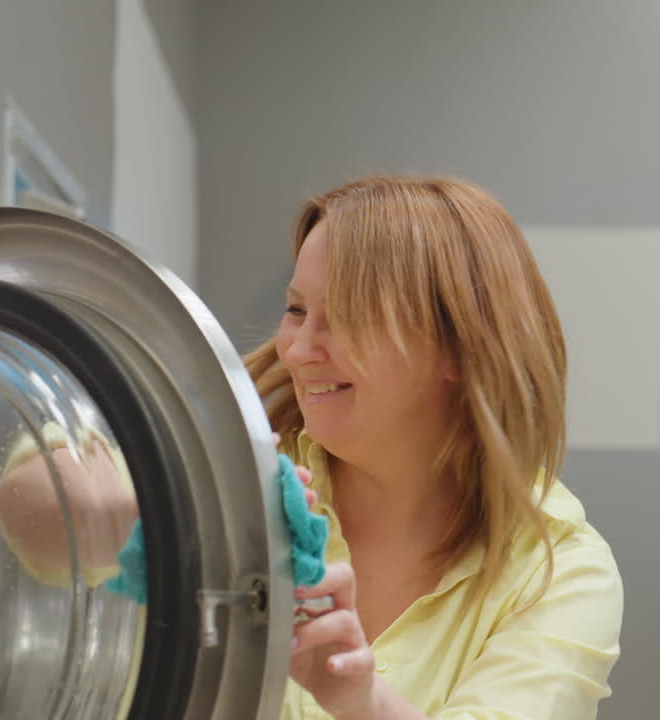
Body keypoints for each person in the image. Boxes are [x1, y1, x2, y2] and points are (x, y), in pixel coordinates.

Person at [243, 175, 624, 719]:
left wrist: (360, 698)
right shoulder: (230, 485)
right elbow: (82, 519)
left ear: (462, 350)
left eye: (346, 316)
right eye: (297, 310)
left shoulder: (558, 571)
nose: (299, 351)